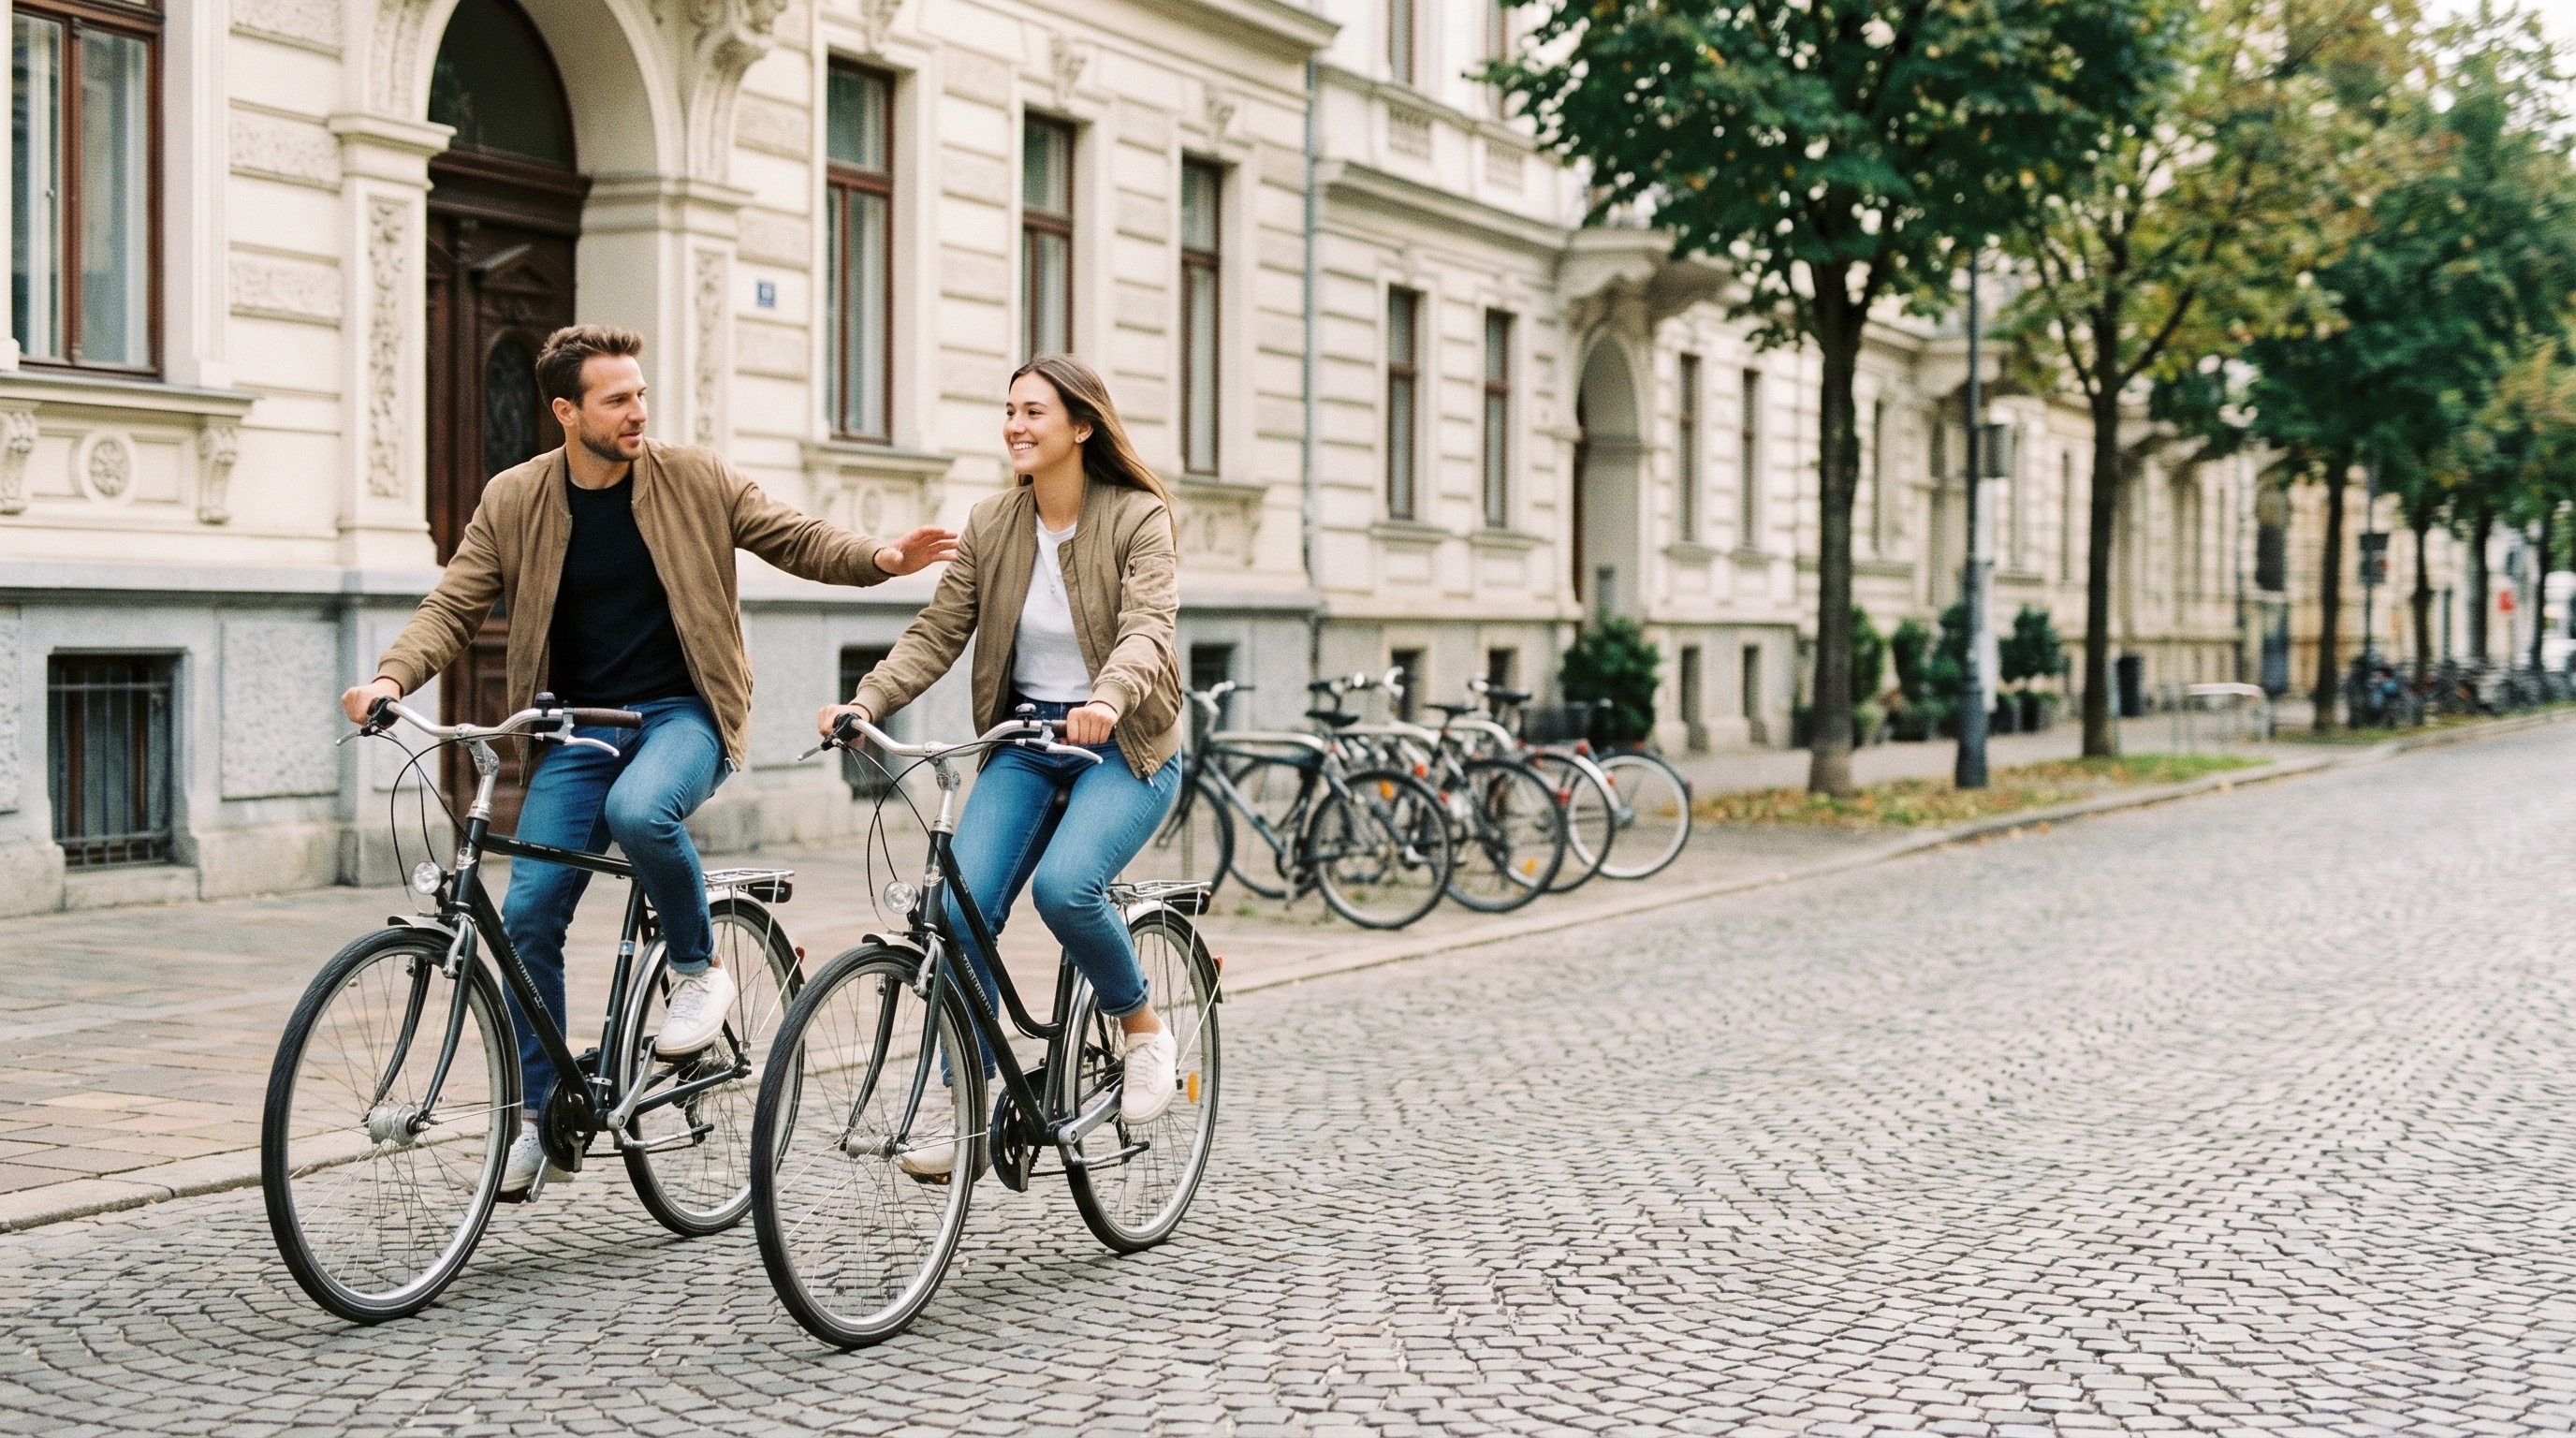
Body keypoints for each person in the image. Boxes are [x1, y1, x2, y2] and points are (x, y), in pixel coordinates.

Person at [342, 324, 957, 1196]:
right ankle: (537, 1116)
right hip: (576, 728)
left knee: (641, 813)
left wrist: (882, 559)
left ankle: (699, 970)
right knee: (527, 918)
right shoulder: (516, 499)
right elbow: (454, 601)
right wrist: (389, 676)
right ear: (566, 412)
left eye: (641, 394)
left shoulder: (693, 478)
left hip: (684, 714)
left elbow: (795, 536)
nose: (639, 412)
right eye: (617, 399)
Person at [817, 354, 1185, 1177]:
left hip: (1124, 744)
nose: (1015, 426)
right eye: (1009, 411)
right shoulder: (993, 522)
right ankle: (969, 1109)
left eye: (1034, 413)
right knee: (953, 912)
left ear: (1081, 426)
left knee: (1065, 889)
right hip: (1026, 742)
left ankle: (1141, 1028)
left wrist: (1111, 698)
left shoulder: (1139, 517)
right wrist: (867, 702)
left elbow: (1147, 628)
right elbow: (939, 631)